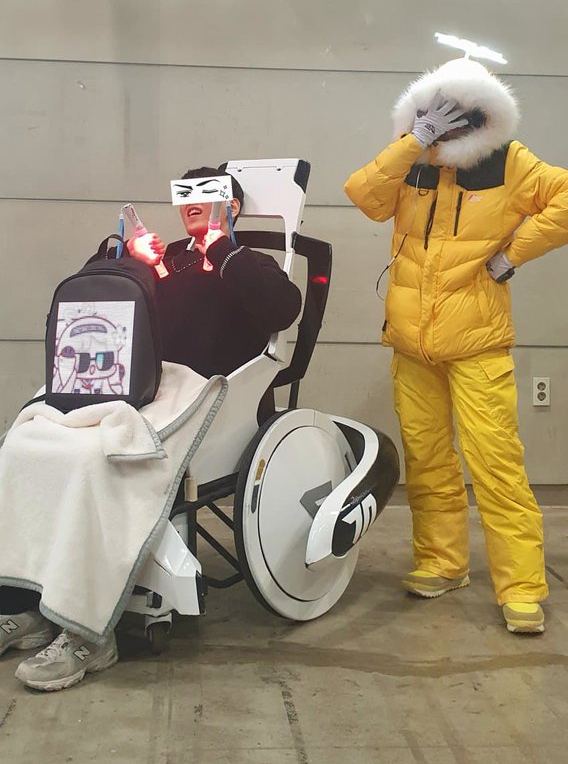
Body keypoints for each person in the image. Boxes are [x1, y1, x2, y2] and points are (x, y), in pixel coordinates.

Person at [0, 166, 302, 689]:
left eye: (207, 195)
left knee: (96, 459)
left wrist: (221, 250)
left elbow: (283, 308)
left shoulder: (248, 262)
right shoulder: (168, 260)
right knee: (26, 443)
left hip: (201, 392)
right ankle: (25, 605)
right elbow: (101, 301)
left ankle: (89, 630)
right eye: (185, 196)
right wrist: (127, 257)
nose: (192, 204)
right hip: (136, 385)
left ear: (231, 206)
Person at [345, 57, 568, 635]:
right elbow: (363, 195)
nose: (448, 125)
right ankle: (442, 563)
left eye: (459, 114)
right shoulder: (412, 159)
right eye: (433, 112)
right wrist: (411, 141)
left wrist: (512, 255)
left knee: (496, 464)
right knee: (426, 459)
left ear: (484, 115)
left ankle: (522, 587)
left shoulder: (511, 163)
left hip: (477, 343)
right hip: (411, 343)